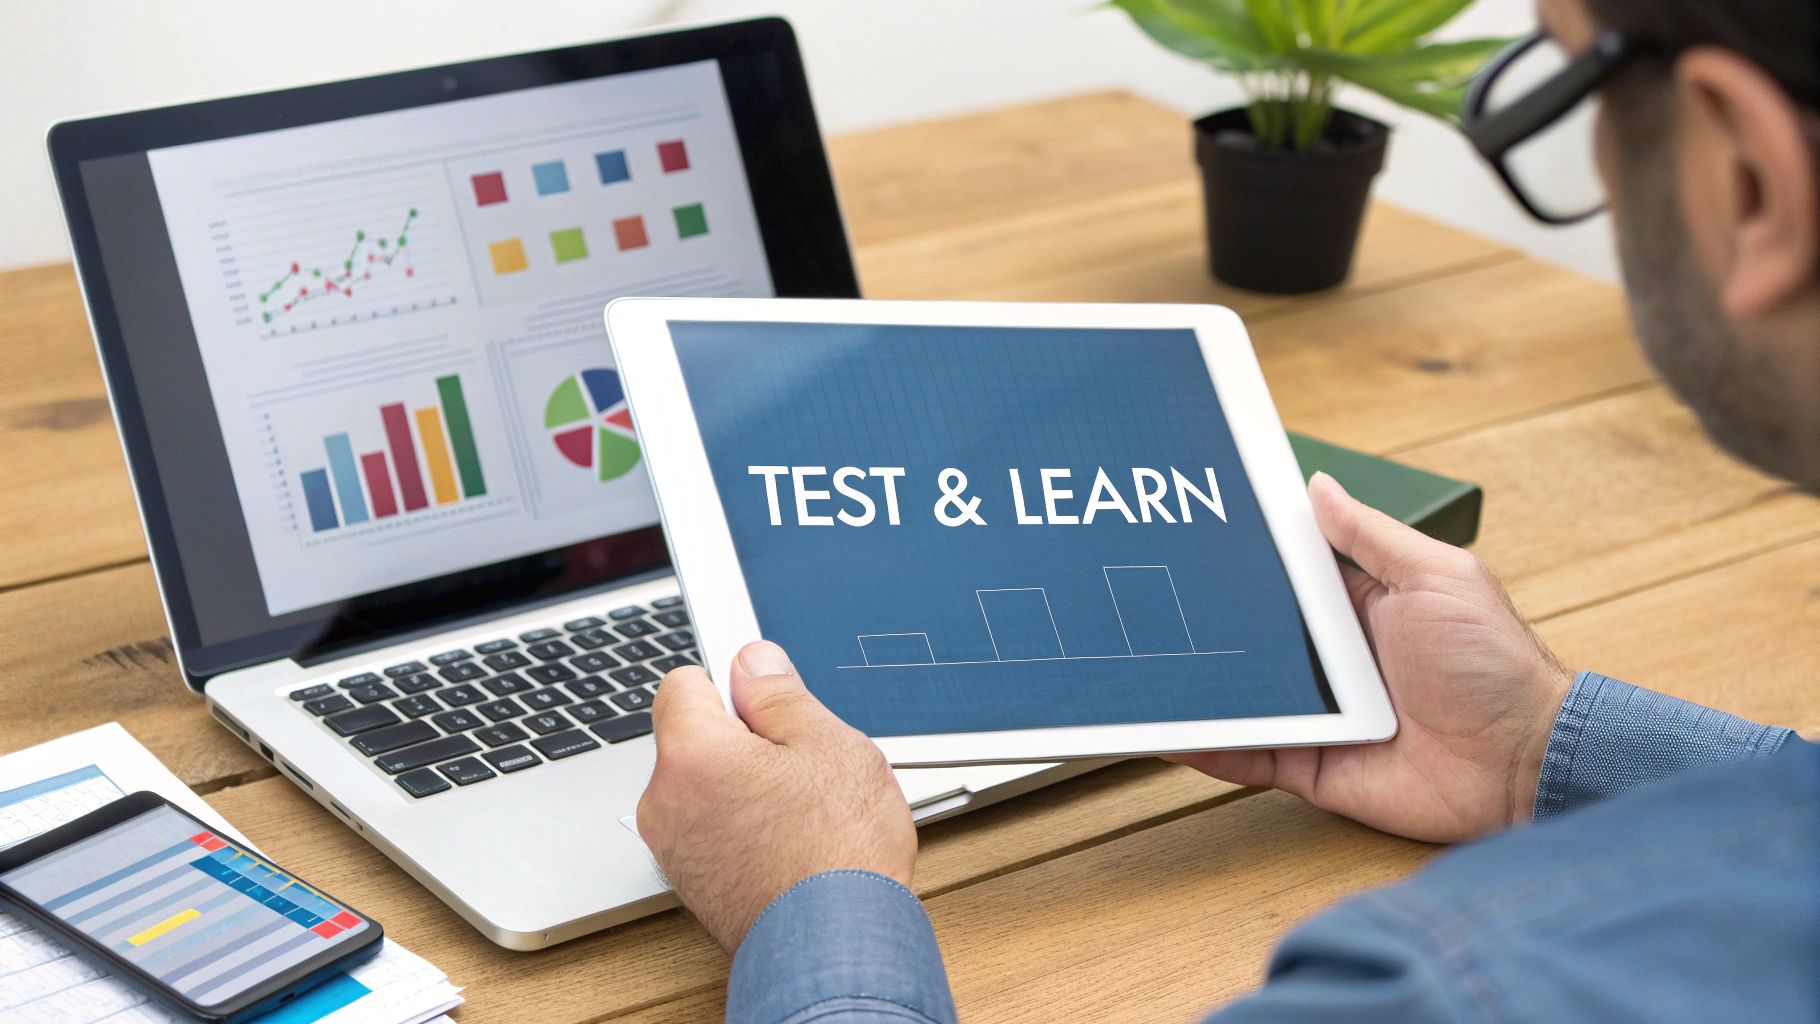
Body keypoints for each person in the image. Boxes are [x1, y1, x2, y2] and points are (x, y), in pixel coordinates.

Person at [635, 0, 1820, 1018]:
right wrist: (1535, 748)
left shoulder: (1458, 982)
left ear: (1750, 175)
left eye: (1566, 84)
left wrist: (812, 905)